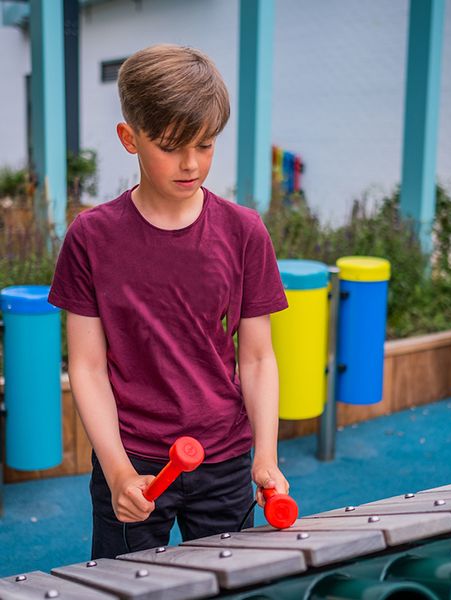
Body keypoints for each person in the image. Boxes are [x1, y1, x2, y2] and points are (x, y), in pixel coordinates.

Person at [49, 44, 290, 558]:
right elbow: (88, 369)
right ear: (129, 139)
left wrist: (265, 455)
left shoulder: (244, 232)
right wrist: (116, 471)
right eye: (171, 146)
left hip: (224, 459)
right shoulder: (91, 238)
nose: (191, 164)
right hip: (132, 458)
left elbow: (257, 356)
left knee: (230, 587)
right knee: (124, 589)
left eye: (205, 145)